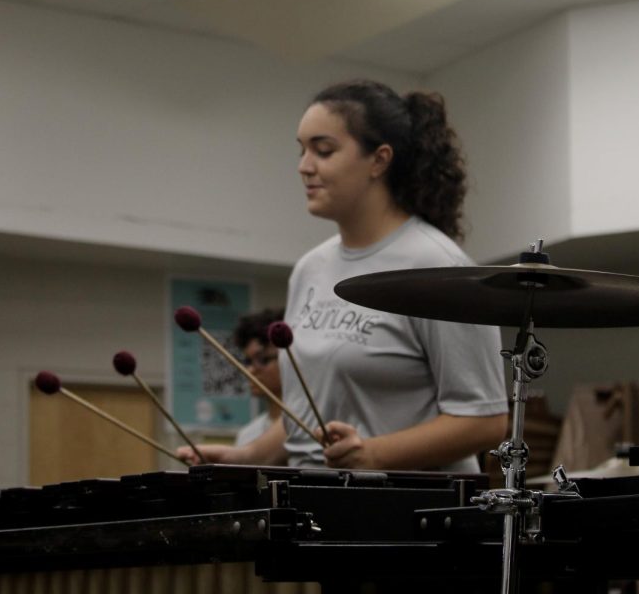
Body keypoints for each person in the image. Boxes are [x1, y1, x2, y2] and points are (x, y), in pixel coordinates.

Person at [180, 80, 508, 472]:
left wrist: (374, 454)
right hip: (318, 504)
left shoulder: (439, 268)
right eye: (301, 150)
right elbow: (313, 409)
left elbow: (485, 420)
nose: (304, 166)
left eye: (323, 150)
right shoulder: (310, 269)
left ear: (379, 160)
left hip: (409, 517)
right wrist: (247, 457)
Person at [233, 308, 285, 447]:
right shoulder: (247, 436)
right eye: (248, 362)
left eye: (262, 360)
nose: (250, 370)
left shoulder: (313, 428)